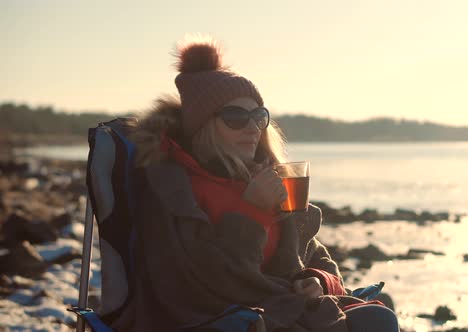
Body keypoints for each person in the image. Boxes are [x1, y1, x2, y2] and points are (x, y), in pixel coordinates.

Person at [114, 34, 399, 332]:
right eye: (235, 117)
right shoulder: (175, 189)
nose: (251, 127)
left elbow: (313, 255)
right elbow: (196, 284)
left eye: (258, 115)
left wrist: (316, 280)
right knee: (376, 320)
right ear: (204, 126)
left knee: (379, 316)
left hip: (280, 308)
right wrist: (252, 212)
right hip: (225, 320)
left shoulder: (266, 178)